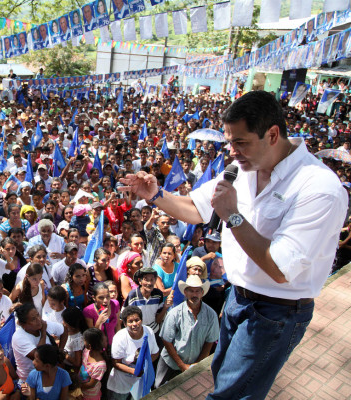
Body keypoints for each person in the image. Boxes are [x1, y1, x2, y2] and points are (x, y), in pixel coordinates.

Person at [120, 90, 348, 399]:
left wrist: (233, 216)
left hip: (275, 312)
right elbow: (197, 208)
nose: (231, 152)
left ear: (272, 134)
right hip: (237, 298)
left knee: (232, 394)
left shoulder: (318, 188)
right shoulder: (242, 169)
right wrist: (156, 195)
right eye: (229, 142)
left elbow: (281, 268)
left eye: (240, 142)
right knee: (223, 379)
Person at [155, 275, 219, 387]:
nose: (194, 294)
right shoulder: (175, 313)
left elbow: (210, 341)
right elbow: (166, 340)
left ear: (202, 292)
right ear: (185, 292)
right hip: (170, 363)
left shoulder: (211, 315)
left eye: (197, 291)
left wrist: (198, 365)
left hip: (193, 365)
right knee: (159, 390)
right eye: (191, 291)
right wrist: (182, 365)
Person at [106, 306, 159, 400]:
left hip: (141, 384)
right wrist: (134, 371)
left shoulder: (149, 332)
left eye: (137, 320)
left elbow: (155, 353)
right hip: (122, 385)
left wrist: (145, 366)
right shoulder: (119, 338)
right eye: (130, 321)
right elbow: (116, 362)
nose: (134, 324)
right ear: (125, 324)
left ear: (142, 320)